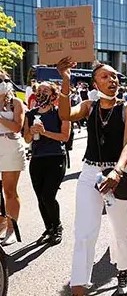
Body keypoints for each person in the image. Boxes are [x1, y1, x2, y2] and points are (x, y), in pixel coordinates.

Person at [47, 59, 127, 296]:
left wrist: (118, 171)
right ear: (95, 83)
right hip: (90, 174)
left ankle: (123, 272)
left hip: (118, 175)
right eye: (106, 77)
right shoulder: (89, 106)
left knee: (119, 230)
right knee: (84, 234)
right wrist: (65, 79)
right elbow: (65, 114)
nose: (113, 81)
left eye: (115, 77)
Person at [23, 82, 70, 246]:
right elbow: (26, 139)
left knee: (48, 195)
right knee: (40, 197)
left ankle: (57, 226)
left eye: (46, 90)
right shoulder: (30, 114)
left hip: (56, 157)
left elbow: (65, 137)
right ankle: (48, 227)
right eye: (39, 90)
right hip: (37, 158)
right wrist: (31, 132)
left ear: (53, 95)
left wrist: (44, 132)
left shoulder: (60, 113)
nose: (42, 92)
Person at [0, 70, 26, 246]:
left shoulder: (16, 103)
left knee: (9, 191)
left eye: (3, 80)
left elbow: (17, 126)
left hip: (10, 147)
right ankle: (1, 223)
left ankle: (11, 227)